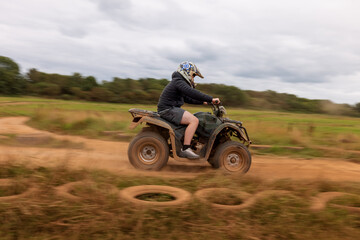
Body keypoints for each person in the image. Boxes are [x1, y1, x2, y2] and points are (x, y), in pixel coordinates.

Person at [157, 61, 220, 159]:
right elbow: (191, 92)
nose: (193, 78)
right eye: (193, 75)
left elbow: (187, 98)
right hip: (168, 109)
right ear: (187, 72)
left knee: (193, 119)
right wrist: (210, 98)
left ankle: (185, 143)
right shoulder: (178, 81)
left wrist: (203, 102)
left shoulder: (178, 82)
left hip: (169, 108)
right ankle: (186, 149)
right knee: (194, 120)